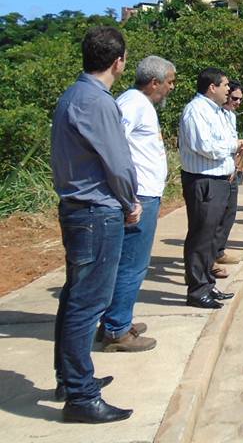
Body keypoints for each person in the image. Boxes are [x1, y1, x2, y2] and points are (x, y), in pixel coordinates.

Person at [51, 26, 140, 423]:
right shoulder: (98, 102)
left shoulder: (73, 94)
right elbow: (118, 163)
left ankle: (70, 380)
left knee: (75, 298)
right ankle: (81, 396)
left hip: (77, 207)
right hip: (95, 211)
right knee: (88, 304)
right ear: (118, 61)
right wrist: (130, 201)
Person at [100, 55, 176, 353]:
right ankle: (117, 329)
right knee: (132, 264)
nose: (171, 88)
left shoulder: (139, 103)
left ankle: (116, 321)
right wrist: (128, 195)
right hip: (138, 196)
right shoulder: (132, 104)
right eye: (169, 82)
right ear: (154, 82)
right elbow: (113, 145)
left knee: (129, 263)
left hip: (143, 194)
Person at [179, 67, 243, 310]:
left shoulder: (216, 111)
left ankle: (207, 282)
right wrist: (232, 145)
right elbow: (204, 145)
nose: (229, 90)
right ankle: (197, 290)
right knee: (201, 236)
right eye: (225, 85)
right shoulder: (196, 111)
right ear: (212, 87)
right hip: (203, 180)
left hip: (218, 180)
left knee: (210, 237)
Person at [212, 81, 243, 276]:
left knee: (230, 213)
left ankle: (219, 251)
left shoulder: (231, 116)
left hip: (231, 169)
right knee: (215, 217)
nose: (237, 102)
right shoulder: (215, 115)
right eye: (234, 98)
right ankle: (210, 257)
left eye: (240, 99)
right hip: (216, 173)